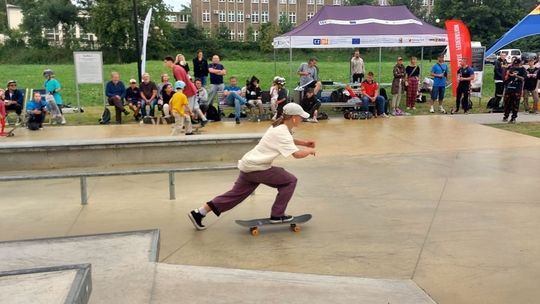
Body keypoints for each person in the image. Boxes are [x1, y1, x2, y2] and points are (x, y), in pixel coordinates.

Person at [187, 102, 316, 230]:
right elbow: (297, 155)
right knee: (290, 181)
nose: (302, 119)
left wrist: (304, 143)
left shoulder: (278, 126)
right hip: (257, 168)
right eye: (301, 117)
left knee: (234, 195)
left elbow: (288, 140)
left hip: (248, 165)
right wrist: (309, 151)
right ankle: (278, 215)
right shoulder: (282, 131)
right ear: (294, 118)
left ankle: (199, 212)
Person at [164, 56, 207, 126]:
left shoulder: (176, 69)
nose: (165, 64)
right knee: (195, 107)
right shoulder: (177, 67)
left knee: (186, 109)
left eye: (165, 62)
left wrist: (178, 93)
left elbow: (180, 82)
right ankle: (203, 119)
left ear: (170, 61)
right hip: (192, 89)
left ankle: (187, 125)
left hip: (189, 91)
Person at [503, 58, 527, 123]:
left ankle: (513, 118)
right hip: (509, 88)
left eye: (517, 64)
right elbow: (506, 78)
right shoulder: (511, 68)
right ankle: (506, 116)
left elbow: (523, 78)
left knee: (515, 104)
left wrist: (516, 76)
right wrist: (507, 75)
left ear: (520, 64)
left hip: (517, 89)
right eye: (514, 64)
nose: (515, 66)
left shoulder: (523, 69)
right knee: (507, 103)